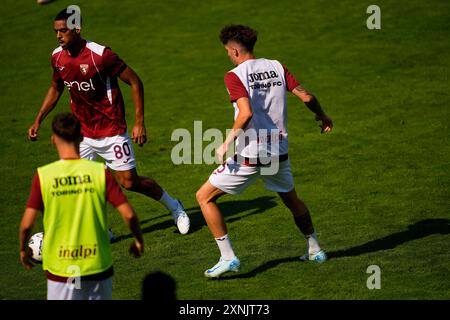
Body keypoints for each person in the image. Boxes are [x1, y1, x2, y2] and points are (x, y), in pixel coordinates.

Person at [27, 7, 189, 237]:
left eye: (63, 30)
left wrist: (139, 122)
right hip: (82, 134)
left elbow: (135, 82)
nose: (58, 35)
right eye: (56, 31)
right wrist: (38, 120)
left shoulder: (101, 55)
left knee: (130, 182)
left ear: (77, 29)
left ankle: (175, 207)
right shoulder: (58, 57)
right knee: (82, 183)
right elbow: (56, 87)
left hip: (111, 129)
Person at [196, 25, 333, 278]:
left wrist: (226, 142)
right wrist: (322, 116)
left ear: (235, 50)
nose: (228, 55)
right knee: (291, 199)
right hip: (279, 150)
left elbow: (246, 113)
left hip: (252, 153)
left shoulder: (234, 75)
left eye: (227, 51)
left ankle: (228, 258)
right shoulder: (277, 66)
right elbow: (306, 97)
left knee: (204, 197)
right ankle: (315, 249)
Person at [19, 113, 144, 300]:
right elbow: (129, 215)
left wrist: (23, 249)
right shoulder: (100, 172)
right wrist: (138, 240)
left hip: (61, 270)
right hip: (97, 266)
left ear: (53, 140)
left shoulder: (44, 176)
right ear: (81, 138)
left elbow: (27, 225)